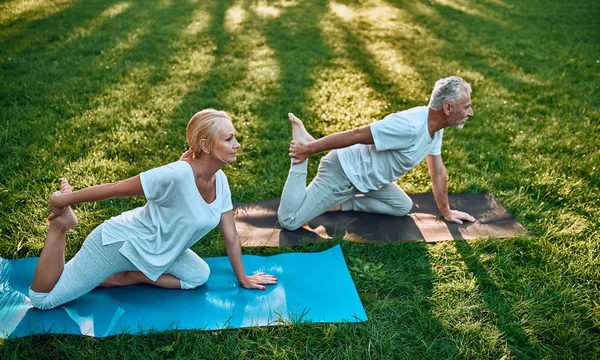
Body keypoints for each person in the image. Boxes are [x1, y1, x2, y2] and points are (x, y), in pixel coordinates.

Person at [30, 109, 277, 310]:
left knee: (198, 275)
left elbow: (231, 235)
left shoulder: (220, 180)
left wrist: (243, 278)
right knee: (43, 301)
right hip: (119, 245)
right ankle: (60, 226)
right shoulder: (176, 175)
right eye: (229, 138)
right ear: (206, 145)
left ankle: (124, 277)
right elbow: (115, 188)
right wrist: (64, 200)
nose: (237, 144)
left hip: (160, 252)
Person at [277, 76, 476, 231]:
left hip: (371, 181)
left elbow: (438, 172)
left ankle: (341, 204)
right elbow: (356, 134)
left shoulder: (436, 128)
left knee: (402, 207)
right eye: (466, 107)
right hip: (344, 173)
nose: (471, 113)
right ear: (447, 108)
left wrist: (446, 212)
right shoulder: (408, 125)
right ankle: (300, 158)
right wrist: (308, 150)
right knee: (290, 221)